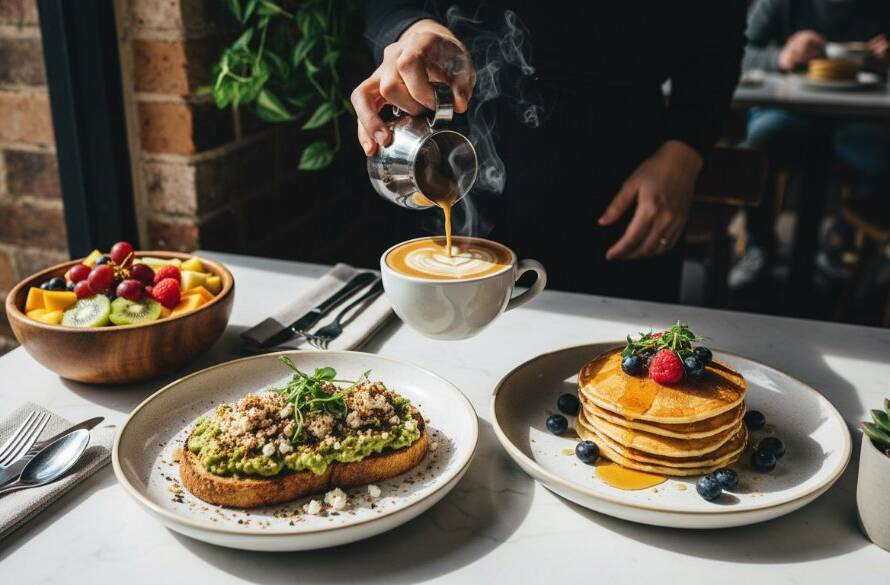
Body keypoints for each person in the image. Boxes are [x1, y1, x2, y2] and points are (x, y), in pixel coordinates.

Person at [355, 2, 747, 302]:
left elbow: (721, 32)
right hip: (451, 157)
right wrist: (411, 28)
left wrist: (685, 148)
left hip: (621, 185)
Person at [730, 0, 890, 289]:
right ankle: (759, 244)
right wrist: (782, 57)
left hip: (857, 116)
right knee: (758, 146)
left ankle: (840, 243)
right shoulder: (780, 4)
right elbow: (733, 52)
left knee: (881, 157)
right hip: (784, 108)